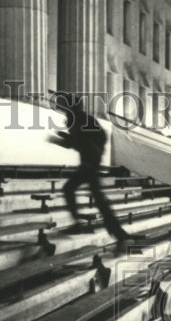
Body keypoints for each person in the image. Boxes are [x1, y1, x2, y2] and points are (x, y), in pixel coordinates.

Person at [50, 95, 130, 253]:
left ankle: (117, 235)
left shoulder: (77, 120)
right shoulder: (85, 119)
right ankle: (119, 234)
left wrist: (57, 139)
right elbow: (89, 139)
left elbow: (77, 142)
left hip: (89, 165)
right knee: (97, 200)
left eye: (64, 107)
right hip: (91, 164)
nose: (62, 109)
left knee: (73, 190)